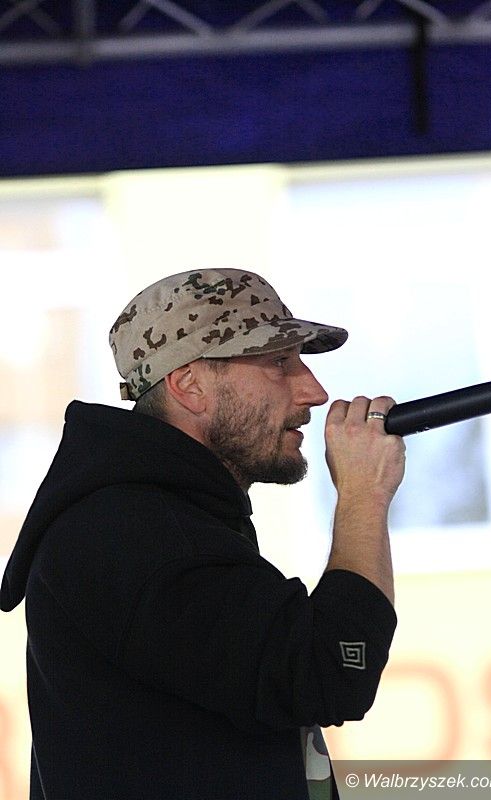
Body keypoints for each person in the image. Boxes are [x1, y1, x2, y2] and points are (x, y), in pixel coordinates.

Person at [0, 269, 405, 800]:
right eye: (279, 363)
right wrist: (363, 495)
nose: (314, 390)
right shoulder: (137, 534)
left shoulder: (160, 518)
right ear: (189, 384)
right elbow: (327, 672)